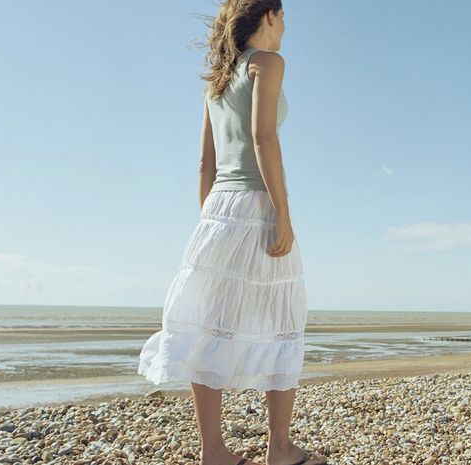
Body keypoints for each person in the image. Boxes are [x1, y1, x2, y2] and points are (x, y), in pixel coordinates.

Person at [138, 2, 325, 464]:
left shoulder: (218, 80)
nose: (284, 30)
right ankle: (279, 449)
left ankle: (214, 452)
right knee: (282, 320)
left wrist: (212, 221)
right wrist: (282, 211)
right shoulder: (267, 63)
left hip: (218, 210)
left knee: (208, 326)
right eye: (284, 20)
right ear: (269, 15)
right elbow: (265, 138)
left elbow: (205, 162)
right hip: (256, 200)